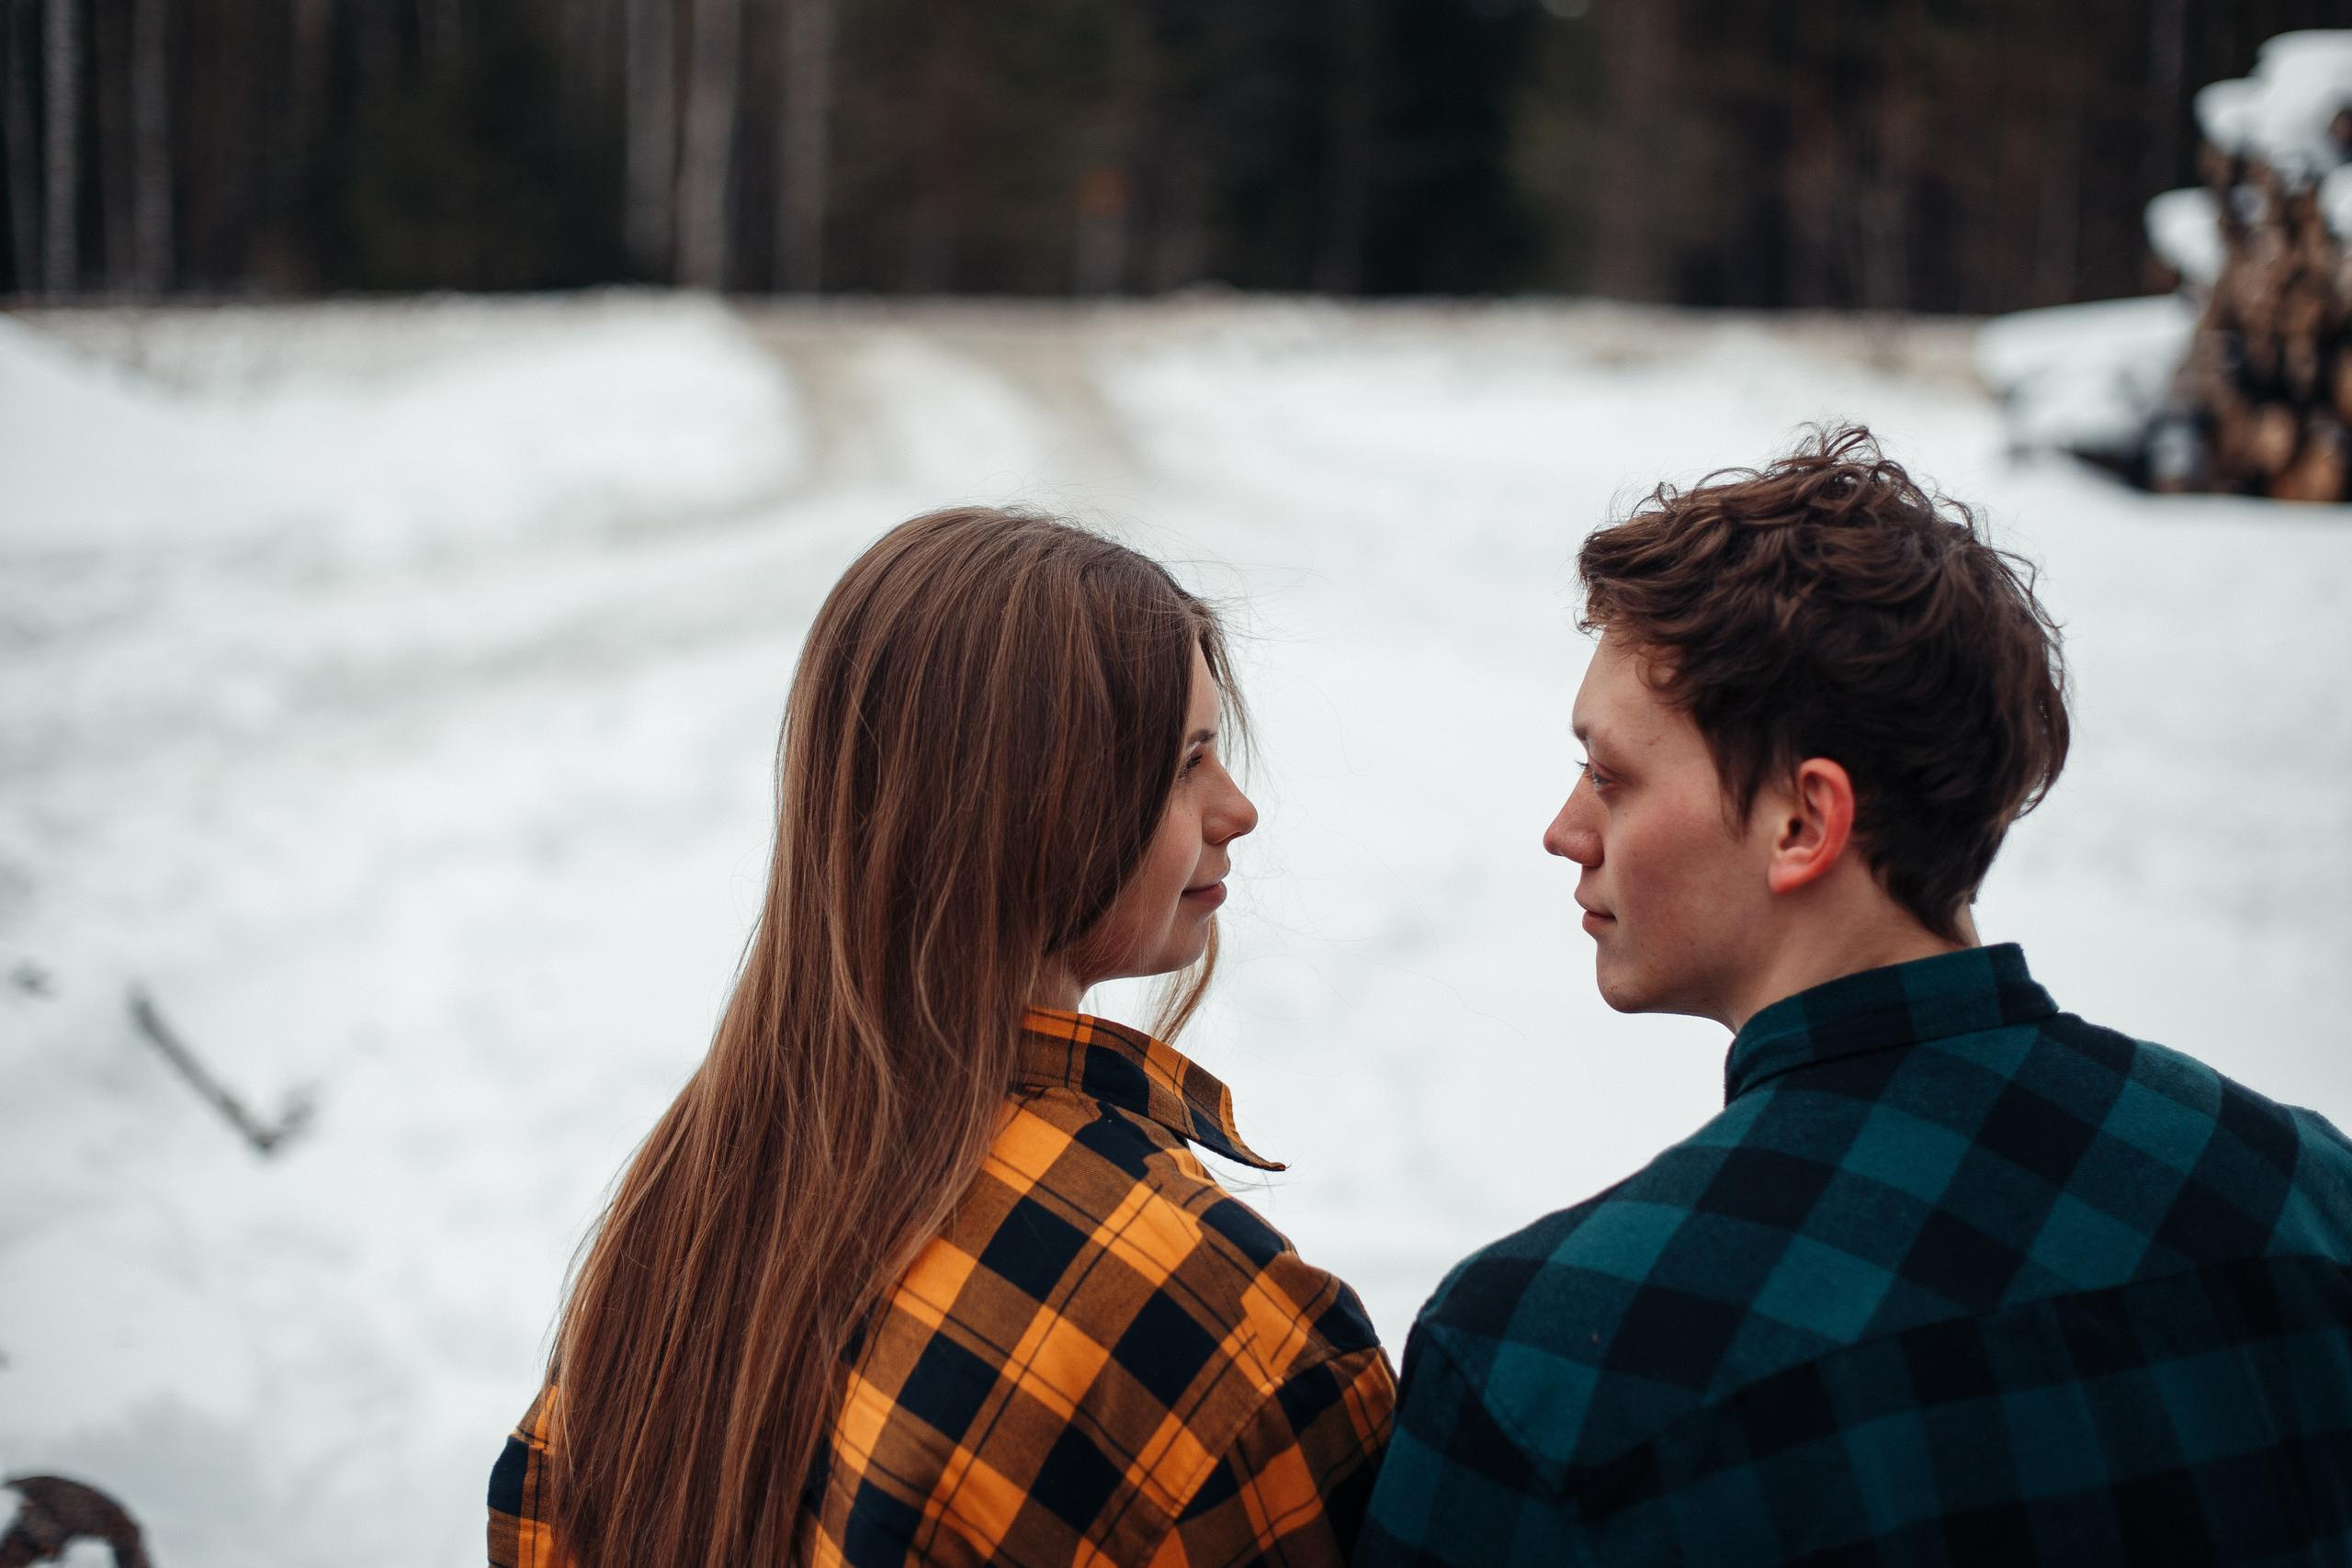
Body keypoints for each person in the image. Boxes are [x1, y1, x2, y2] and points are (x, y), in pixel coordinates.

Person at [1358, 427, 2352, 1564]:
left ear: (1803, 822)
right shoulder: (2310, 1200)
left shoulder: (1553, 1361)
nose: (1564, 829)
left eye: (1608, 776)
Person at [490, 508, 1394, 1568]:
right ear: (1036, 803)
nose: (1236, 808)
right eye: (1187, 761)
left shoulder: (691, 1209)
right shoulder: (1204, 1315)